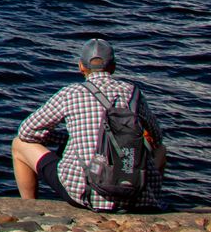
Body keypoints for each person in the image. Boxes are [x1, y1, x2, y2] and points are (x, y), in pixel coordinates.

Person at [12, 37, 167, 211]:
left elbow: (26, 131)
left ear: (81, 67)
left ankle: (29, 207)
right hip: (135, 192)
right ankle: (146, 197)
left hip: (88, 194)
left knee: (19, 143)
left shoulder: (70, 93)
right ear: (113, 67)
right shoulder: (133, 93)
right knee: (161, 150)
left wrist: (63, 138)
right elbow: (157, 138)